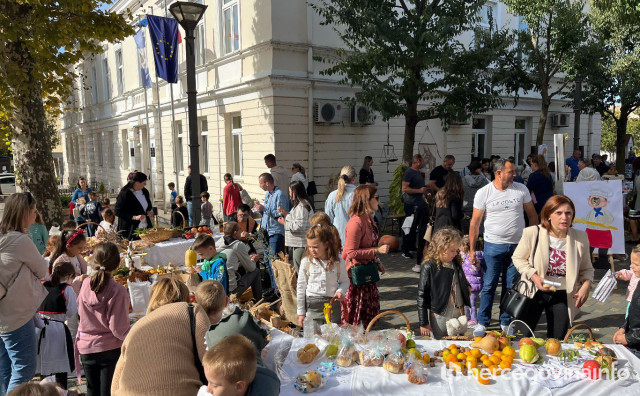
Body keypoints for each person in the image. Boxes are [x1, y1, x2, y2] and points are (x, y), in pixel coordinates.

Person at [468, 158, 539, 337]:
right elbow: (475, 223)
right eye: (511, 172)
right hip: (493, 245)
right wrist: (471, 250)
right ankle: (482, 322)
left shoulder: (521, 189)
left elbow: (532, 216)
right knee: (489, 285)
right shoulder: (484, 192)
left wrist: (531, 243)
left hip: (518, 246)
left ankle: (506, 321)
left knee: (512, 286)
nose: (515, 175)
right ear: (498, 173)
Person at [512, 195, 594, 339]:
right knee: (521, 337)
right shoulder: (533, 233)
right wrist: (533, 275)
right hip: (534, 290)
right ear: (548, 215)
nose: (564, 217)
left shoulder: (580, 237)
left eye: (568, 213)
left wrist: (586, 285)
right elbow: (518, 258)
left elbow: (587, 268)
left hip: (563, 293)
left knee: (557, 341)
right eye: (559, 213)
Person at [111, 282, 210, 396]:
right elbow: (210, 359)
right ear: (185, 295)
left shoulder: (138, 325)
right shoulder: (191, 310)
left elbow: (115, 384)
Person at [0, 193, 49, 394]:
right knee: (24, 369)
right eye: (34, 211)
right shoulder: (20, 241)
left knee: (5, 369)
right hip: (17, 314)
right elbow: (43, 271)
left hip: (4, 315)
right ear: (25, 212)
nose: (35, 215)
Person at [77, 242, 130, 396]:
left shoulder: (86, 283)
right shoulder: (117, 290)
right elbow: (118, 329)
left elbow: (79, 310)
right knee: (109, 391)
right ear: (118, 264)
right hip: (109, 348)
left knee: (92, 391)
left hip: (86, 346)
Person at [341, 185, 389, 327]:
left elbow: (368, 245)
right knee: (356, 320)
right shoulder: (356, 223)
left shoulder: (368, 219)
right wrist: (377, 251)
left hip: (367, 272)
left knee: (369, 318)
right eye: (376, 198)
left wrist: (377, 260)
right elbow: (350, 253)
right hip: (357, 278)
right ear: (366, 200)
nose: (378, 201)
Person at [195, 281, 268, 363]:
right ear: (227, 301)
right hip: (254, 369)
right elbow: (264, 338)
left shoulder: (197, 331)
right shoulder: (243, 320)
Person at [417, 228, 470, 339]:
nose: (455, 254)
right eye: (452, 250)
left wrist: (467, 288)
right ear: (441, 248)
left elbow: (460, 281)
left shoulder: (455, 263)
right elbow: (422, 295)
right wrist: (423, 322)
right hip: (440, 315)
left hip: (459, 312)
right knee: (441, 343)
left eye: (456, 250)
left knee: (460, 343)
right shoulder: (429, 266)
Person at [297, 224, 349, 328]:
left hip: (332, 305)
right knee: (315, 337)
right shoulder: (306, 262)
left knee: (333, 335)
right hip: (313, 306)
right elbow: (301, 287)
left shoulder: (338, 262)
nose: (312, 250)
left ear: (326, 244)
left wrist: (340, 291)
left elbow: (345, 281)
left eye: (315, 247)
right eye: (309, 247)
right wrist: (301, 312)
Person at [35, 262, 77, 389]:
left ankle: (45, 390)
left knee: (45, 366)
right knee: (60, 366)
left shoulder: (43, 286)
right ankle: (60, 390)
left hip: (40, 328)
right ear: (69, 276)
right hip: (57, 330)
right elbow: (72, 310)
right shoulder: (67, 289)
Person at [199, 335, 279, 396]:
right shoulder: (233, 378)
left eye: (215, 385)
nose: (208, 389)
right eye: (208, 382)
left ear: (239, 386)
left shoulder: (264, 391)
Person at [253, 173, 289, 292]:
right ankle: (274, 287)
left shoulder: (280, 195)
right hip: (266, 231)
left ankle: (279, 289)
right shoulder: (268, 194)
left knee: (274, 260)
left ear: (267, 183)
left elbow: (280, 214)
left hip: (275, 232)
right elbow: (267, 214)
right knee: (268, 261)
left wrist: (265, 209)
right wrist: (261, 211)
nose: (260, 185)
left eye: (261, 183)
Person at [213, 223, 262, 300]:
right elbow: (251, 268)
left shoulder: (218, 243)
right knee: (256, 271)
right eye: (240, 230)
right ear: (235, 232)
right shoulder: (238, 245)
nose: (241, 232)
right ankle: (258, 301)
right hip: (231, 292)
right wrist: (253, 260)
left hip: (218, 289)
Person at [278, 181, 313, 272]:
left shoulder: (302, 206)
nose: (289, 194)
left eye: (290, 191)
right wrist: (285, 213)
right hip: (297, 243)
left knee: (300, 270)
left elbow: (299, 226)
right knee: (299, 268)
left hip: (301, 243)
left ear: (295, 192)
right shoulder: (299, 205)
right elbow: (296, 219)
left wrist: (285, 223)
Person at [613, 245, 640, 359]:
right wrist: (624, 327)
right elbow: (634, 312)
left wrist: (628, 338)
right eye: (631, 262)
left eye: (636, 264)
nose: (631, 266)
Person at [324, 166, 357, 249]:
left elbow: (328, 218)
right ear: (353, 178)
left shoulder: (332, 195)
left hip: (338, 238)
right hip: (357, 238)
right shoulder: (360, 194)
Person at [401, 154, 427, 259]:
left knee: (416, 227)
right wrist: (419, 191)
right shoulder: (409, 173)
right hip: (411, 204)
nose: (423, 163)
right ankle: (405, 249)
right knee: (409, 226)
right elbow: (404, 188)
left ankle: (412, 246)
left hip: (419, 202)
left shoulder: (417, 173)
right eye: (422, 161)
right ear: (417, 161)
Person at [115, 171, 154, 240]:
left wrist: (148, 211)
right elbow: (117, 211)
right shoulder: (125, 193)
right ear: (136, 183)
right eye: (144, 183)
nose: (145, 184)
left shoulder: (145, 191)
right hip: (130, 228)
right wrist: (134, 217)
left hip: (145, 226)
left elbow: (148, 205)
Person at [50, 229, 88, 296]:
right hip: (69, 297)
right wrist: (79, 279)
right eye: (79, 248)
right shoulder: (61, 262)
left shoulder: (77, 257)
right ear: (68, 246)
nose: (82, 250)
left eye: (83, 247)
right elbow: (60, 284)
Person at [462, 160, 490, 235]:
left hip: (466, 207)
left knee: (466, 232)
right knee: (478, 231)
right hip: (479, 208)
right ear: (478, 169)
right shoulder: (484, 181)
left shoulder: (464, 180)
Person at [461, 236, 484, 327]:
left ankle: (474, 319)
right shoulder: (470, 255)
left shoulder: (474, 257)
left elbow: (476, 268)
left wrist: (475, 264)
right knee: (468, 302)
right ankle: (468, 317)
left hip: (473, 284)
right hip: (471, 283)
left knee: (471, 303)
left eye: (461, 245)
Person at [413, 189, 437, 272]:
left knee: (420, 247)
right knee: (433, 247)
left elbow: (416, 220)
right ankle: (433, 263)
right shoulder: (435, 206)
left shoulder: (420, 206)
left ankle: (418, 264)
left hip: (423, 229)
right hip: (433, 228)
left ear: (423, 196)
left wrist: (412, 230)